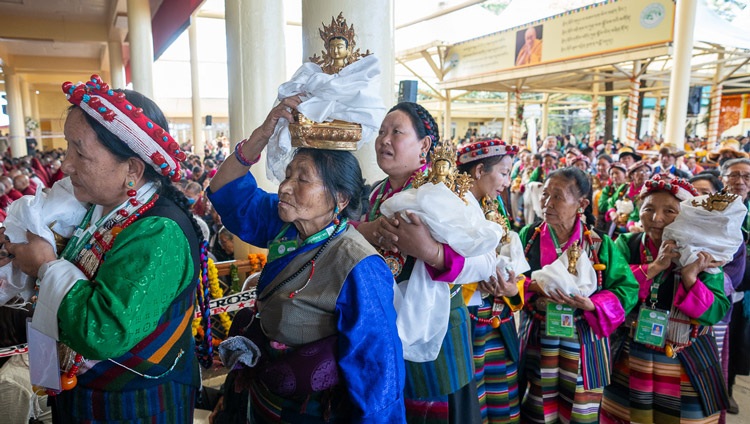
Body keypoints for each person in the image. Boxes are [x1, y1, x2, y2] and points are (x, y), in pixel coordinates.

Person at [5, 75, 205, 422]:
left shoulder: (158, 232)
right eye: (67, 148)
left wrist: (46, 267)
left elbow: (104, 330)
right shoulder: (101, 207)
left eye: (79, 152)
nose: (65, 165)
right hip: (87, 395)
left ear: (132, 168)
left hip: (135, 406)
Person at [207, 96, 406, 423]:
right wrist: (262, 135)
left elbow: (376, 366)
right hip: (262, 397)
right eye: (287, 175)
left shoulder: (359, 265)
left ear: (339, 198)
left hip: (310, 409)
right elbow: (226, 189)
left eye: (302, 179)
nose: (284, 187)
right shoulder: (283, 224)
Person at [356, 102, 482, 423]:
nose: (384, 140)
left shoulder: (447, 191)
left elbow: (486, 260)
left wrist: (431, 252)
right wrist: (367, 231)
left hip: (435, 331)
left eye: (396, 132)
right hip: (385, 326)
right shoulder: (376, 194)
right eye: (382, 132)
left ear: (424, 145)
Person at [601, 175, 731, 423]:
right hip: (630, 353)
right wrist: (655, 266)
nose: (656, 218)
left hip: (685, 358)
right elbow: (611, 292)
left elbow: (715, 312)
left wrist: (691, 277)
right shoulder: (627, 244)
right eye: (648, 209)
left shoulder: (704, 253)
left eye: (669, 211)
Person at [518, 167, 639, 423]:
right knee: (538, 407)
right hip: (539, 335)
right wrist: (535, 291)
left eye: (558, 196)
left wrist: (592, 304)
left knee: (581, 410)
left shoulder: (599, 244)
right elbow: (513, 278)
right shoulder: (528, 237)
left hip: (584, 339)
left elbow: (627, 289)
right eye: (545, 194)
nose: (547, 203)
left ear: (582, 204)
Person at [456, 139, 524, 423]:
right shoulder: (453, 209)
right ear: (479, 169)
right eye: (504, 173)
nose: (507, 182)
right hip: (464, 320)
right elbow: (444, 266)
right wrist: (477, 277)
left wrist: (511, 289)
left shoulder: (494, 208)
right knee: (469, 402)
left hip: (497, 321)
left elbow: (517, 273)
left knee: (501, 402)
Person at [722, 158, 750, 415]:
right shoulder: (712, 208)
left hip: (744, 293)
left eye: (746, 177)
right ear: (724, 179)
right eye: (734, 176)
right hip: (716, 287)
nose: (740, 182)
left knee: (735, 344)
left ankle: (727, 391)